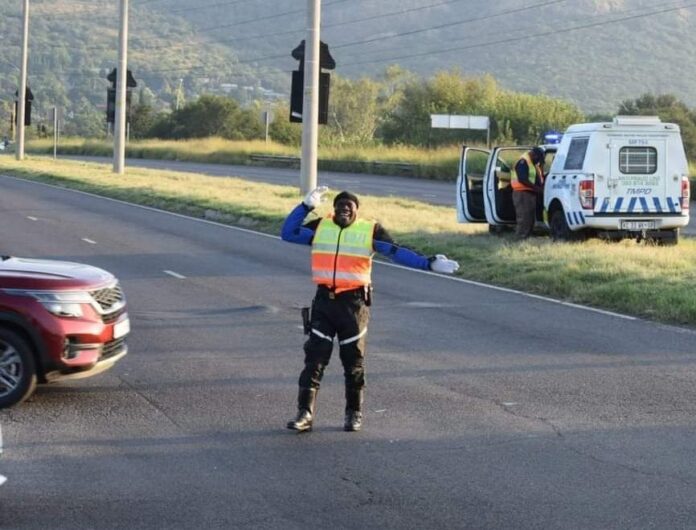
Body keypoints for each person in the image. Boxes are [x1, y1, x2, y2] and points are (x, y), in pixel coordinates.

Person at [281, 187, 459, 433]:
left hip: (354, 305)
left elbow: (396, 251)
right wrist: (305, 207)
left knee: (353, 362)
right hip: (324, 302)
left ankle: (353, 414)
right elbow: (288, 233)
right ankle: (305, 414)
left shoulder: (369, 230)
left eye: (349, 207)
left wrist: (428, 263)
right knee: (314, 359)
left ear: (356, 210)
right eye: (340, 206)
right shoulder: (320, 226)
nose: (344, 210)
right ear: (333, 210)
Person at [511, 146, 545, 239]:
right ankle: (520, 237)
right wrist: (537, 189)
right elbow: (523, 179)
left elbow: (537, 177)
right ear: (533, 155)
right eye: (538, 159)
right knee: (524, 217)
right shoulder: (523, 161)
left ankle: (527, 237)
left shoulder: (532, 163)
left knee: (530, 217)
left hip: (529, 193)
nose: (538, 161)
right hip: (522, 193)